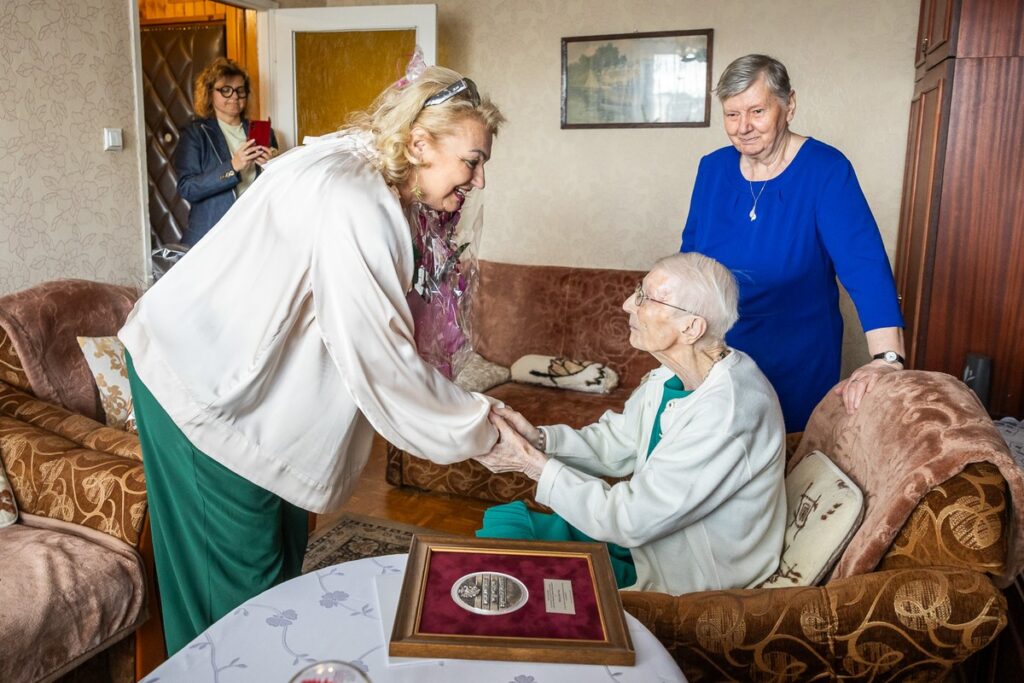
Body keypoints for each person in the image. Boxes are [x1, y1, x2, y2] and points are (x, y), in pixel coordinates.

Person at [120, 66, 504, 654]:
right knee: (237, 592)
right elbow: (382, 360)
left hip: (254, 388)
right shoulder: (353, 198)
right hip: (199, 385)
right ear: (420, 143)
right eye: (472, 161)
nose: (478, 180)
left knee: (281, 561)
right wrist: (489, 433)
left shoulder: (375, 163)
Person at [475, 252, 787, 596]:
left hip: (689, 571)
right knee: (505, 533)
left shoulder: (728, 412)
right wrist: (539, 441)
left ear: (691, 327)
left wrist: (530, 464)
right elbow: (618, 441)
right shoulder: (673, 373)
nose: (626, 304)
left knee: (513, 573)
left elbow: (630, 520)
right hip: (652, 537)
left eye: (645, 297)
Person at [680, 54, 905, 432]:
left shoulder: (825, 170)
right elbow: (691, 261)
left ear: (790, 106)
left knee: (786, 459)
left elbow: (864, 267)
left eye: (756, 111)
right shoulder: (713, 169)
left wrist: (888, 357)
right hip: (719, 350)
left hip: (797, 351)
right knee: (713, 454)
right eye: (732, 115)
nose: (743, 127)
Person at [174, 57, 278, 246]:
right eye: (225, 90)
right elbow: (187, 188)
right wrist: (232, 166)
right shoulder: (196, 134)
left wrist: (273, 168)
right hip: (212, 233)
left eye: (240, 90)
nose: (234, 96)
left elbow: (276, 190)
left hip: (255, 231)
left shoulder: (263, 131)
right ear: (209, 93)